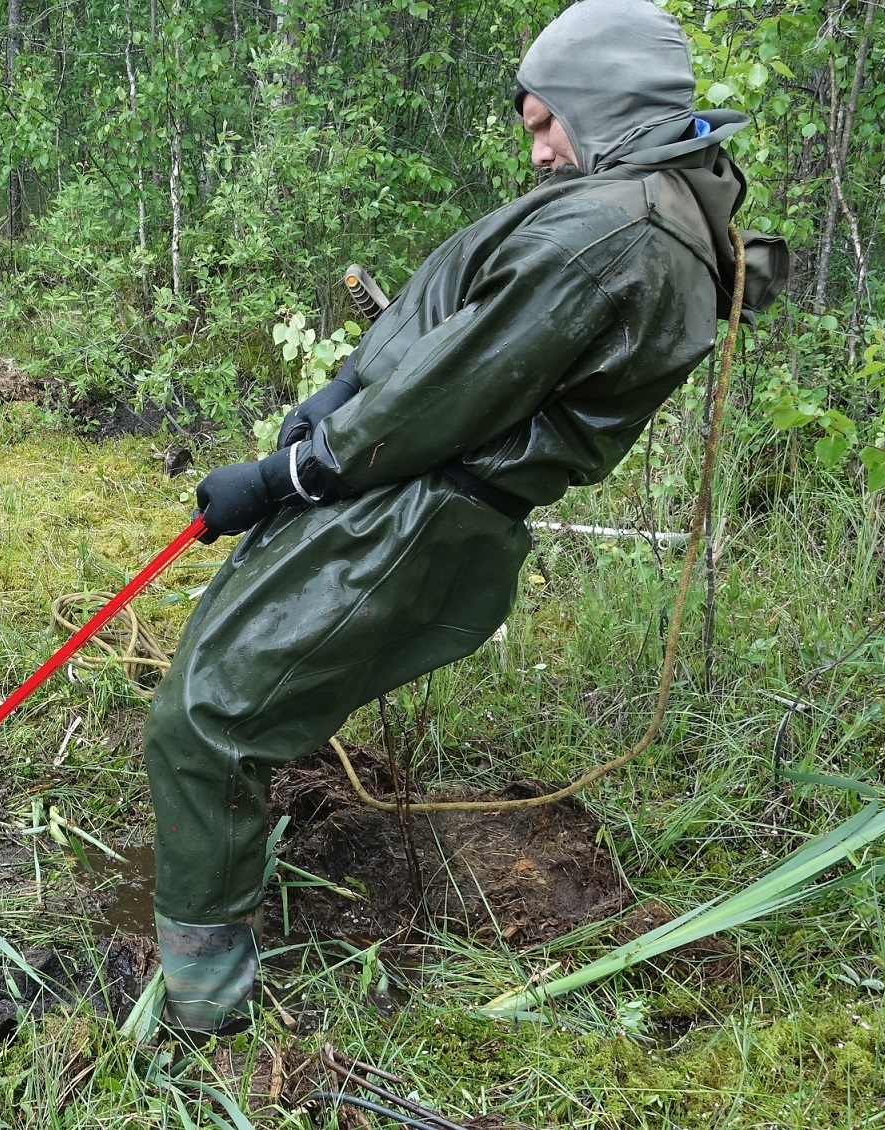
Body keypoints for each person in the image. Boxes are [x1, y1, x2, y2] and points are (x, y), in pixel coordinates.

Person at [145, 0, 789, 1031]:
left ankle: (203, 1009)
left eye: (546, 124)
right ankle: (235, 882)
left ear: (606, 103)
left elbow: (443, 400)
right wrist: (342, 387)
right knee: (232, 690)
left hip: (409, 515)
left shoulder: (611, 232)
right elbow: (464, 332)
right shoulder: (638, 205)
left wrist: (286, 473)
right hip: (412, 498)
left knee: (205, 722)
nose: (538, 152)